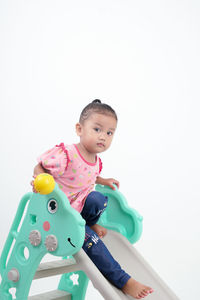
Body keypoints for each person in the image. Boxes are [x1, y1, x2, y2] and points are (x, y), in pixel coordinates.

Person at [31, 99, 154, 299]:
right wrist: (39, 179)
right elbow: (41, 166)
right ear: (80, 129)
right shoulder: (67, 154)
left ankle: (90, 222)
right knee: (94, 244)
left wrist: (103, 180)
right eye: (97, 129)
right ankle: (124, 280)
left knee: (98, 199)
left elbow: (86, 177)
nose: (103, 136)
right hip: (62, 216)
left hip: (80, 211)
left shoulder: (96, 161)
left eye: (109, 133)